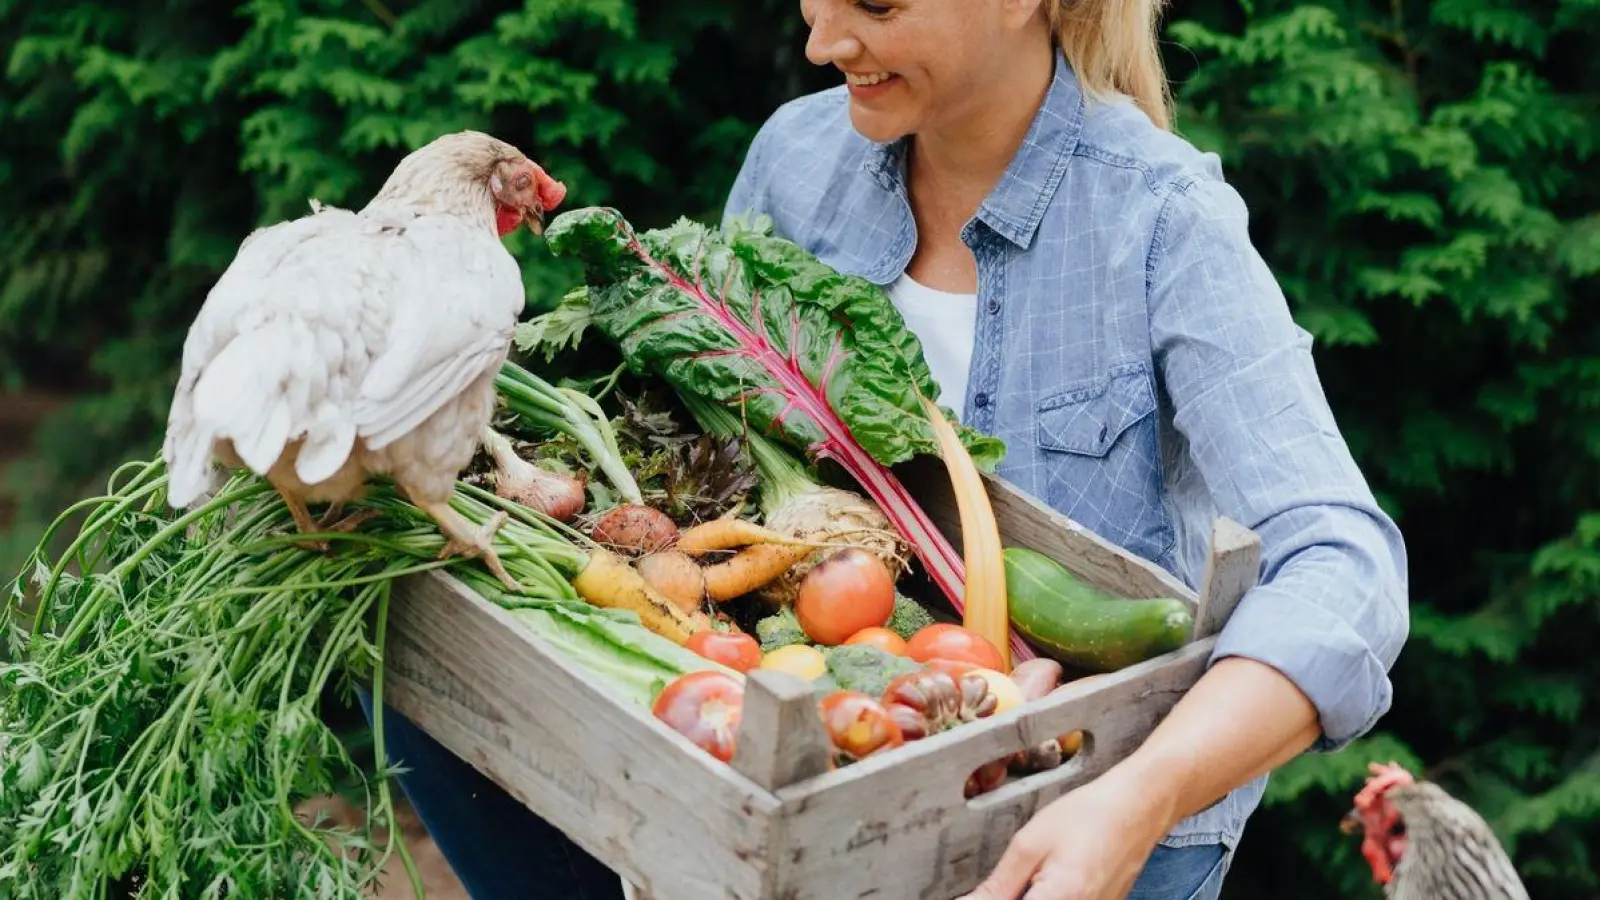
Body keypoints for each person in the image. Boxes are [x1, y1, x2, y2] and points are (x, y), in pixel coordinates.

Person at [361, 1, 1412, 898]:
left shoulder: (1162, 223)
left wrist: (1138, 796)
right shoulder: (797, 159)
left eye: (875, 3)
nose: (824, 42)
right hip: (833, 780)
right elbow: (710, 436)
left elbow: (1343, 565)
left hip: (1074, 834)